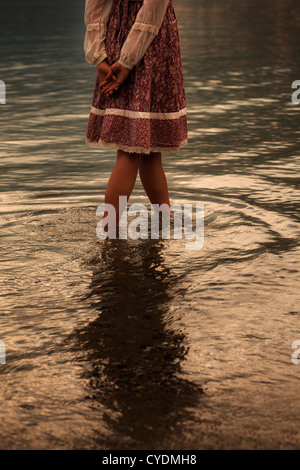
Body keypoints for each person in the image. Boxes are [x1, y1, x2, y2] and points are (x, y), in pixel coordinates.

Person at [84, 0, 188, 230]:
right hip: (149, 47)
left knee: (149, 148)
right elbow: (152, 9)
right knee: (130, 150)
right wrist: (127, 61)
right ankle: (109, 229)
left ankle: (165, 220)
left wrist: (99, 58)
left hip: (116, 42)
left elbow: (95, 5)